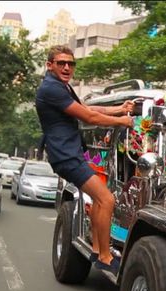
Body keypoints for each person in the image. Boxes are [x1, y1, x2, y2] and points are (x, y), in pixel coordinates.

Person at [35, 45, 134, 275]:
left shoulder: (62, 87)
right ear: (50, 65)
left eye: (71, 63)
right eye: (61, 63)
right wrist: (123, 122)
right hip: (66, 156)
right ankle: (106, 257)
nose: (67, 67)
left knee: (101, 200)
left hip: (69, 153)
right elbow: (88, 116)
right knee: (106, 200)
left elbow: (87, 108)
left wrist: (119, 109)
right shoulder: (51, 88)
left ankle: (99, 251)